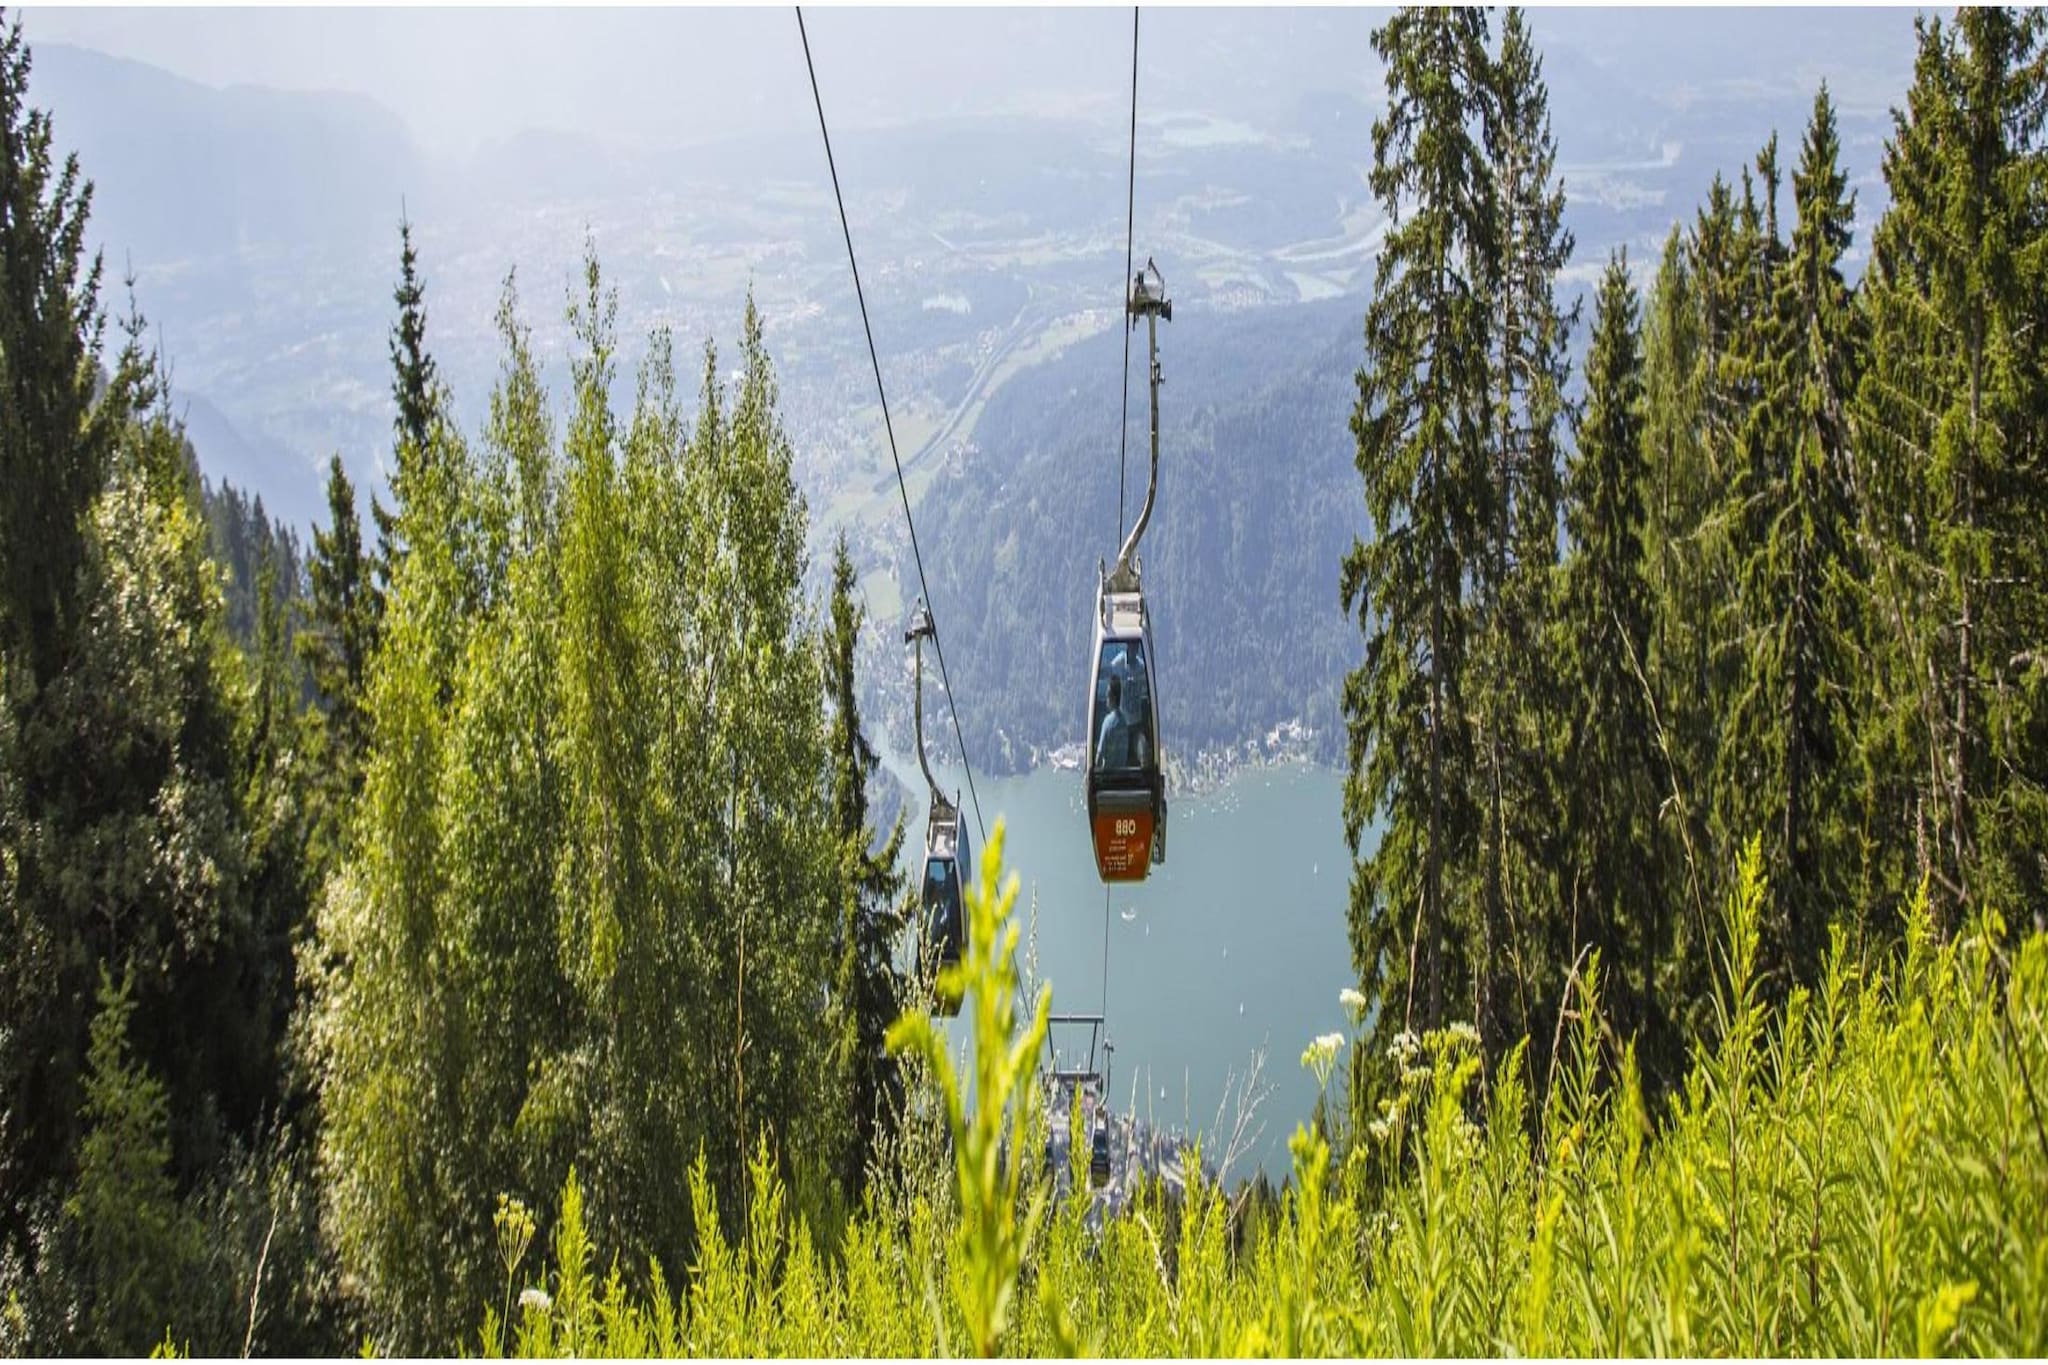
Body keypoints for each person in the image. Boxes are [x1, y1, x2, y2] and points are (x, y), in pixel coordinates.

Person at [1095, 675, 1134, 772]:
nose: (1106, 698)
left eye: (1107, 695)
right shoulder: (1124, 722)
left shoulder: (1108, 722)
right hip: (1122, 776)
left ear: (1113, 697)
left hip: (1109, 778)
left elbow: (1099, 758)